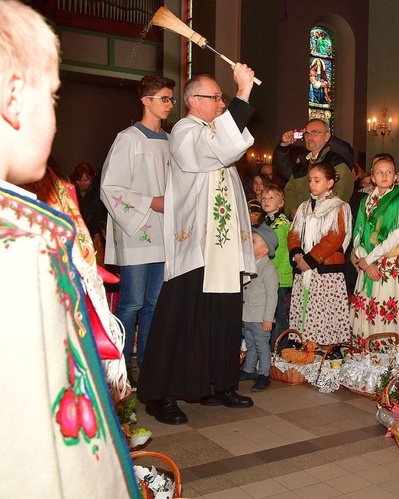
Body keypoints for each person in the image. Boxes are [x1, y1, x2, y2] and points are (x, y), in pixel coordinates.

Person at [0, 1, 138, 495]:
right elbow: (37, 445)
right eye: (53, 99)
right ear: (14, 98)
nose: (55, 119)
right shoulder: (22, 245)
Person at [137, 66, 259, 425]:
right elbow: (219, 147)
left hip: (223, 247)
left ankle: (217, 385)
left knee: (222, 317)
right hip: (195, 246)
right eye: (216, 97)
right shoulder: (186, 132)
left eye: (224, 97)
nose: (221, 103)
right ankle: (159, 395)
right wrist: (243, 93)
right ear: (193, 101)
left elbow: (230, 145)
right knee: (181, 318)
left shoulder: (210, 131)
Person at [100, 73, 175, 387]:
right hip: (138, 231)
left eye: (171, 99)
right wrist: (150, 202)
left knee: (156, 303)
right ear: (146, 100)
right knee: (131, 302)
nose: (169, 104)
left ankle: (147, 362)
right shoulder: (128, 138)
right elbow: (109, 186)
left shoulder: (171, 141)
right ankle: (120, 365)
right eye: (163, 98)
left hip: (166, 230)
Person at [350, 154, 399, 342]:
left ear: (395, 176)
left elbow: (396, 235)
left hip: (389, 263)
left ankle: (390, 355)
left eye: (389, 172)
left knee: (386, 306)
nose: (384, 176)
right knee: (368, 306)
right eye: (380, 172)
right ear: (372, 176)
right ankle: (366, 353)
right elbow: (358, 235)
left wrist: (369, 259)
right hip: (367, 264)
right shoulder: (365, 201)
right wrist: (364, 261)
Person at [288, 163, 352, 345]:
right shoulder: (304, 207)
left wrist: (310, 259)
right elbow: (293, 233)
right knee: (306, 309)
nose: (312, 184)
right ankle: (305, 345)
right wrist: (298, 255)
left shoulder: (339, 207)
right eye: (310, 180)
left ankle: (327, 347)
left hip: (325, 270)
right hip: (305, 268)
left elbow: (335, 238)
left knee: (325, 311)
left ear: (330, 182)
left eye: (317, 180)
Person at [273, 119, 354, 216]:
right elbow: (290, 189)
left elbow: (340, 195)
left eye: (314, 133)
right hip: (300, 221)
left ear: (327, 136)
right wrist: (293, 210)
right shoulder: (302, 162)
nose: (309, 137)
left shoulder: (335, 162)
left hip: (326, 222)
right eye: (307, 134)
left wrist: (314, 215)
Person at [239, 224, 279, 392]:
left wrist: (268, 319)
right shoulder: (249, 265)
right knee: (250, 343)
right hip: (247, 315)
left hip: (260, 317)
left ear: (265, 250)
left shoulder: (268, 269)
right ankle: (248, 370)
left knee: (262, 346)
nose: (249, 243)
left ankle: (264, 375)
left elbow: (272, 295)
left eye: (253, 241)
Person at [261, 184, 293, 350]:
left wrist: (265, 272)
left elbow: (277, 254)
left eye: (271, 198)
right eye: (264, 198)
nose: (266, 201)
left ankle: (279, 349)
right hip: (271, 275)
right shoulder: (266, 223)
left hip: (279, 276)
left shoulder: (281, 225)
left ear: (281, 203)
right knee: (271, 313)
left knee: (279, 314)